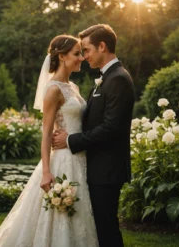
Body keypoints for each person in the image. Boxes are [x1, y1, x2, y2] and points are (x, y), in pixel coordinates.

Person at [0, 34, 98, 247]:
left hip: (79, 157)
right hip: (63, 160)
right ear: (62, 57)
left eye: (82, 53)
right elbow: (46, 132)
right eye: (76, 54)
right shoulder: (53, 89)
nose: (81, 58)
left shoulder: (72, 87)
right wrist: (46, 171)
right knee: (61, 212)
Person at [52, 24, 135, 247]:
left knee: (106, 229)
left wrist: (70, 140)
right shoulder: (104, 78)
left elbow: (111, 128)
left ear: (102, 46)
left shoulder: (118, 79)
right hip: (96, 166)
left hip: (107, 170)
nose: (84, 56)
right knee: (99, 228)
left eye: (86, 50)